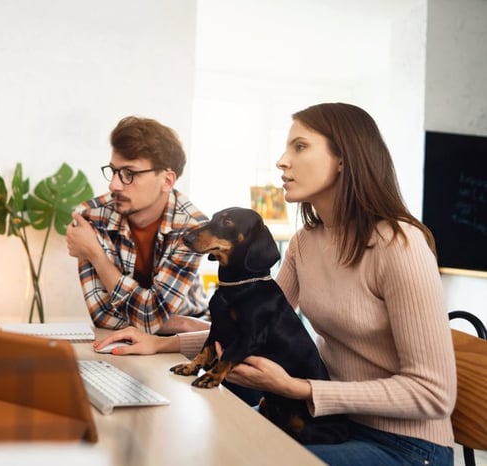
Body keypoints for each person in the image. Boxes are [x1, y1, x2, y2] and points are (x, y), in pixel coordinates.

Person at [94, 103, 457, 466]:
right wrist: (162, 343)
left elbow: (434, 393)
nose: (282, 161)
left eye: (299, 147)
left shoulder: (400, 245)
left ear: (344, 159)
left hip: (406, 447)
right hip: (328, 424)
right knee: (206, 447)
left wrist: (299, 389)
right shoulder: (306, 242)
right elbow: (259, 323)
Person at [66, 116, 211, 334]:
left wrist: (96, 255)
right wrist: (179, 324)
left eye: (129, 174)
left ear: (167, 181)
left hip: (190, 339)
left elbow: (150, 316)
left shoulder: (193, 227)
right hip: (156, 333)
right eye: (114, 171)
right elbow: (103, 315)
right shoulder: (90, 218)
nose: (113, 184)